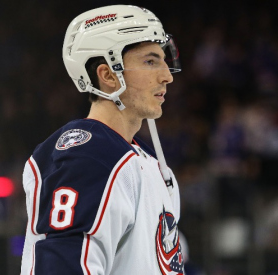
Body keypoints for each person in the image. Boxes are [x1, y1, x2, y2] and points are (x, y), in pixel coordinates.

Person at [20, 5, 184, 275]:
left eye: (164, 61)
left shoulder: (146, 160)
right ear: (108, 75)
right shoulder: (88, 153)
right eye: (150, 61)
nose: (166, 76)